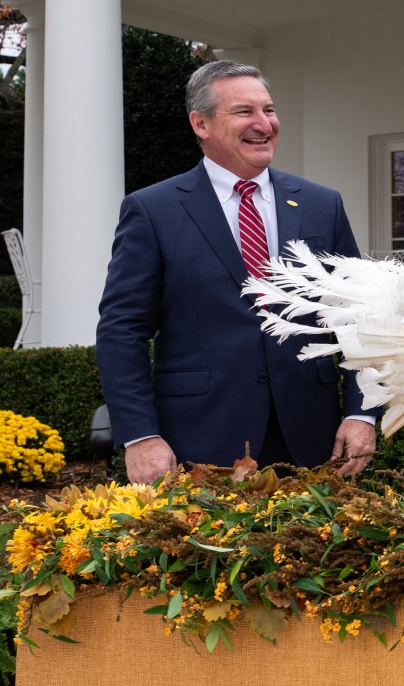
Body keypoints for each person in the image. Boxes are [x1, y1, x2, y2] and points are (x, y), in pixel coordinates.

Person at [96, 61, 377, 484]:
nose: (263, 123)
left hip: (312, 438)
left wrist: (362, 412)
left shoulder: (323, 204)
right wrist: (140, 435)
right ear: (201, 123)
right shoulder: (153, 210)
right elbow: (122, 330)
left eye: (269, 109)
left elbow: (357, 315)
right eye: (244, 111)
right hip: (199, 438)